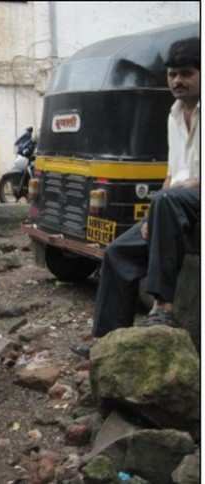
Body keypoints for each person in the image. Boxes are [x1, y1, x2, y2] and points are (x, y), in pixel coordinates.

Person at [72, 37, 200, 357]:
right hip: (176, 208)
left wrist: (165, 201)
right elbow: (172, 174)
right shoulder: (173, 115)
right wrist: (151, 215)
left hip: (191, 205)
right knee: (117, 252)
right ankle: (106, 340)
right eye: (172, 75)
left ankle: (163, 306)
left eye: (186, 73)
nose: (177, 81)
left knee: (165, 201)